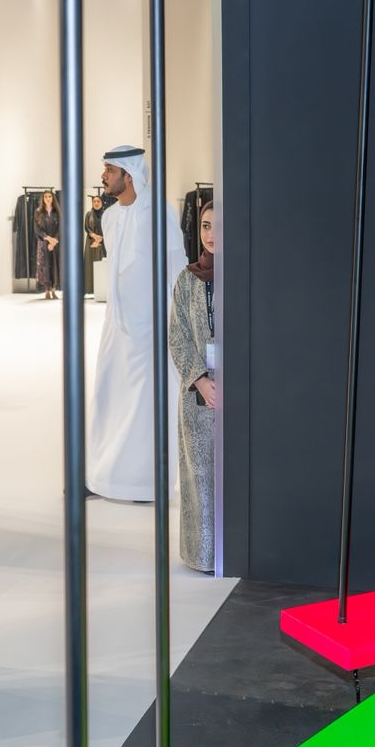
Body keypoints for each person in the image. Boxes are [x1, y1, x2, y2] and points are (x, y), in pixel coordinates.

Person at [86, 145, 183, 502]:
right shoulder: (109, 217)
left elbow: (176, 266)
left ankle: (144, 483)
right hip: (116, 327)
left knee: (145, 407)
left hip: (150, 329)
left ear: (128, 175)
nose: (103, 177)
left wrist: (177, 321)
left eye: (109, 170)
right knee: (107, 397)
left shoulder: (159, 212)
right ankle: (101, 476)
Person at [171, 202, 217, 572]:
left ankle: (239, 552)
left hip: (242, 394)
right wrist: (201, 380)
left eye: (219, 226)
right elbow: (177, 336)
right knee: (199, 474)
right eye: (204, 225)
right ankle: (203, 554)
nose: (211, 234)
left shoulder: (247, 273)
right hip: (197, 395)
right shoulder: (187, 280)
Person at [34, 189, 61, 300]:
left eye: (49, 196)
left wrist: (54, 240)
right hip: (43, 243)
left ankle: (54, 290)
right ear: (43, 199)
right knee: (45, 266)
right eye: (45, 197)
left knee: (55, 266)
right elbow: (37, 229)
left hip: (55, 244)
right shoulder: (38, 212)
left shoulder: (57, 212)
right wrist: (48, 239)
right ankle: (47, 291)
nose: (48, 198)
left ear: (52, 198)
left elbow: (60, 228)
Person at [84, 194, 107, 296]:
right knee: (90, 265)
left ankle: (101, 290)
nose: (96, 203)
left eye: (98, 201)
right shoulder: (89, 214)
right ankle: (90, 289)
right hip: (91, 242)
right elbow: (86, 227)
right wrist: (94, 236)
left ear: (102, 203)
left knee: (101, 265)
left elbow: (107, 227)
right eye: (94, 202)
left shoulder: (105, 214)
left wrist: (100, 239)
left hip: (102, 243)